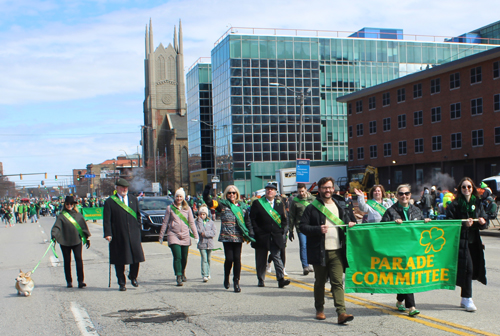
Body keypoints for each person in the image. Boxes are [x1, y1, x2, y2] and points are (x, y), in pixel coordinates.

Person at [299, 177, 356, 324]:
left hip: (337, 251)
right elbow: (302, 227)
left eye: (330, 187)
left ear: (333, 188)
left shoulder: (339, 205)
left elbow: (348, 222)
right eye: (324, 187)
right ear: (319, 189)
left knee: (337, 282)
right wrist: (318, 229)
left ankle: (341, 312)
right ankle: (319, 309)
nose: (327, 190)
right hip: (320, 251)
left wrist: (350, 223)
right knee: (320, 282)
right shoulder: (312, 207)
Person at [381, 184, 429, 317]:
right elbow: (381, 229)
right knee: (407, 275)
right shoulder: (391, 211)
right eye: (401, 194)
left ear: (410, 195)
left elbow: (421, 229)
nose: (404, 196)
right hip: (398, 250)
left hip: (413, 250)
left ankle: (399, 300)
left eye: (407, 193)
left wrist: (426, 223)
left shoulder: (416, 210)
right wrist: (392, 225)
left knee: (406, 276)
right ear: (397, 196)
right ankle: (411, 306)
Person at [446, 177, 488, 312]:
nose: (466, 189)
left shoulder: (478, 203)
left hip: (474, 241)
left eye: (469, 187)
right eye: (463, 187)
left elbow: (484, 220)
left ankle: (465, 298)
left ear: (473, 188)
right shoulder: (455, 205)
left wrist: (482, 222)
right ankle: (467, 298)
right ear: (460, 189)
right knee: (467, 269)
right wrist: (464, 224)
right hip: (461, 241)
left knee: (472, 269)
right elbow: (449, 223)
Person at [203, 184, 254, 292]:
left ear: (237, 194)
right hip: (226, 236)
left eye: (234, 193)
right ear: (226, 194)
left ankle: (236, 282)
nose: (232, 195)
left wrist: (251, 233)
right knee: (229, 259)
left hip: (238, 236)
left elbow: (247, 221)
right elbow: (208, 202)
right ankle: (226, 278)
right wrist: (207, 191)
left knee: (237, 259)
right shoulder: (222, 205)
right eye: (229, 193)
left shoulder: (242, 206)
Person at [103, 178, 145, 291]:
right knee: (119, 259)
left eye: (126, 187)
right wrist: (108, 233)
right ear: (117, 188)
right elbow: (107, 220)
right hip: (118, 234)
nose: (124, 189)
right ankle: (121, 282)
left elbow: (138, 215)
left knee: (136, 258)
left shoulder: (133, 199)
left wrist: (138, 227)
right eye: (122, 187)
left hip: (133, 234)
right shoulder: (110, 202)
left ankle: (133, 276)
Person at [248, 183, 289, 288]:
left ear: (275, 192)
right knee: (261, 259)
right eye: (268, 189)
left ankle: (280, 279)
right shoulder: (258, 203)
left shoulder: (280, 203)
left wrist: (282, 230)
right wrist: (255, 231)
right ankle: (261, 279)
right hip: (262, 236)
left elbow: (284, 218)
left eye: (271, 190)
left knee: (277, 257)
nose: (269, 191)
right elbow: (252, 219)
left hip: (276, 235)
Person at [159, 188, 199, 286]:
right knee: (177, 256)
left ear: (184, 197)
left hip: (185, 235)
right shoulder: (170, 208)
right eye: (177, 196)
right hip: (173, 235)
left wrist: (196, 236)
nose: (179, 198)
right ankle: (178, 276)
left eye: (180, 196)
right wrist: (161, 235)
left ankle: (183, 271)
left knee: (184, 257)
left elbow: (191, 223)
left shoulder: (188, 208)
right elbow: (165, 222)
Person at [51, 196, 91, 288]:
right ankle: (69, 281)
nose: (69, 205)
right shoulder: (61, 216)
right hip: (65, 241)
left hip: (76, 241)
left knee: (79, 260)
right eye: (67, 204)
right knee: (67, 261)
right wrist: (54, 235)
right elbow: (57, 227)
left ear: (74, 205)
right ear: (65, 205)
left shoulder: (78, 215)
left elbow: (83, 227)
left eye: (71, 204)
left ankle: (80, 281)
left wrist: (87, 238)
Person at [289, 183, 316, 275]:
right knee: (303, 245)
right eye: (299, 191)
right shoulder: (295, 201)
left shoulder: (313, 199)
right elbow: (292, 216)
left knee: (312, 246)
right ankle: (305, 266)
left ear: (306, 190)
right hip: (300, 227)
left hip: (312, 227)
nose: (301, 193)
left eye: (302, 191)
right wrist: (290, 230)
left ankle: (312, 263)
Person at [195, 205, 216, 283]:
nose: (202, 216)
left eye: (204, 214)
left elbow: (214, 232)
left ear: (206, 214)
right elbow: (199, 231)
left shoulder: (211, 222)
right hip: (202, 244)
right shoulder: (197, 222)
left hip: (209, 244)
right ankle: (204, 274)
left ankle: (208, 272)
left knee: (209, 259)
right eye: (200, 214)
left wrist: (206, 233)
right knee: (204, 259)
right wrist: (199, 221)